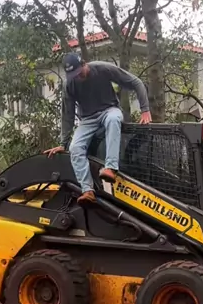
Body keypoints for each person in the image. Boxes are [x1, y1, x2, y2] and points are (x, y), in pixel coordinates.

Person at [46, 53, 152, 204]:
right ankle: (88, 191)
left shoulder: (103, 69)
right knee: (75, 148)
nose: (78, 77)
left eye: (79, 72)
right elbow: (67, 114)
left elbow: (136, 82)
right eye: (74, 75)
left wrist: (145, 109)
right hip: (88, 119)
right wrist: (63, 143)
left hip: (109, 110)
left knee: (113, 119)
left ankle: (111, 168)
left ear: (84, 64)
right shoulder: (69, 84)